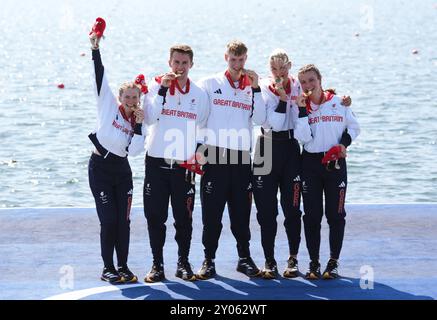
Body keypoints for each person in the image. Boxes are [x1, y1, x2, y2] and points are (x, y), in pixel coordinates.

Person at [255, 50, 352, 279]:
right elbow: (269, 122)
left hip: (290, 147)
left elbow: (322, 99)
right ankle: (269, 260)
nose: (279, 73)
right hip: (264, 146)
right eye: (274, 69)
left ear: (290, 66)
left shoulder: (299, 87)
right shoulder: (261, 86)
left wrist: (341, 99)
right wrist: (280, 97)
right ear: (269, 70)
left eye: (283, 68)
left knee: (293, 209)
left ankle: (293, 258)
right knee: (265, 211)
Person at [196, 40, 266, 279]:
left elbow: (260, 120)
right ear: (226, 57)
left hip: (241, 158)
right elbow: (196, 116)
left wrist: (256, 88)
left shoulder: (254, 86)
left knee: (241, 214)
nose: (237, 64)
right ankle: (209, 260)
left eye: (241, 59)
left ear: (246, 59)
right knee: (211, 215)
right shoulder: (208, 83)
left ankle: (244, 258)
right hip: (214, 155)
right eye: (233, 59)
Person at [141, 44, 209, 283]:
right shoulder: (155, 87)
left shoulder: (199, 94)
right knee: (155, 217)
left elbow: (203, 127)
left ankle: (183, 262)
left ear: (192, 64)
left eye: (184, 63)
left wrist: (196, 155)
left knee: (184, 218)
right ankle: (157, 264)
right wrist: (162, 90)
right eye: (176, 62)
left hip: (183, 168)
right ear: (169, 63)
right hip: (157, 162)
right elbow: (149, 118)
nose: (180, 68)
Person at [88, 28, 147, 283]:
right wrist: (95, 49)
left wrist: (137, 126)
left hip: (122, 172)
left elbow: (133, 152)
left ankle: (123, 266)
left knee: (124, 222)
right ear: (120, 97)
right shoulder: (108, 105)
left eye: (135, 97)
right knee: (109, 220)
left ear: (139, 98)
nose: (131, 101)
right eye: (127, 97)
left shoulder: (139, 121)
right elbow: (99, 76)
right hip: (100, 169)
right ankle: (107, 268)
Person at [294, 64, 360, 280]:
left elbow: (354, 127)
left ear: (320, 80)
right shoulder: (301, 107)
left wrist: (344, 144)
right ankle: (313, 262)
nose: (308, 85)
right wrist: (303, 110)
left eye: (311, 80)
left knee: (336, 215)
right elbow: (304, 138)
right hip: (311, 163)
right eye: (303, 82)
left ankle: (333, 262)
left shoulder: (338, 102)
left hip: (336, 163)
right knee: (312, 216)